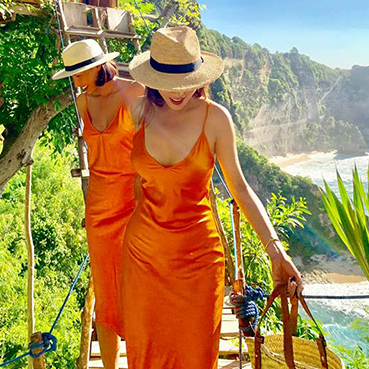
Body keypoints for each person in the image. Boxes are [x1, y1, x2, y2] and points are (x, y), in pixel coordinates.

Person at [120, 26, 303, 369]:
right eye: (169, 82)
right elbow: (136, 182)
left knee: (196, 356)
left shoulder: (215, 118)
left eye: (186, 82)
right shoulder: (139, 111)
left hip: (198, 262)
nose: (178, 92)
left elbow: (241, 189)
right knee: (145, 356)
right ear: (153, 78)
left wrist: (275, 250)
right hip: (142, 258)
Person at [53, 39, 143, 369]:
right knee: (106, 296)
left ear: (98, 66)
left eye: (79, 72)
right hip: (99, 208)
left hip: (134, 202)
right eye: (72, 74)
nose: (75, 79)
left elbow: (151, 146)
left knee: (138, 289)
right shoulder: (82, 102)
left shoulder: (135, 92)